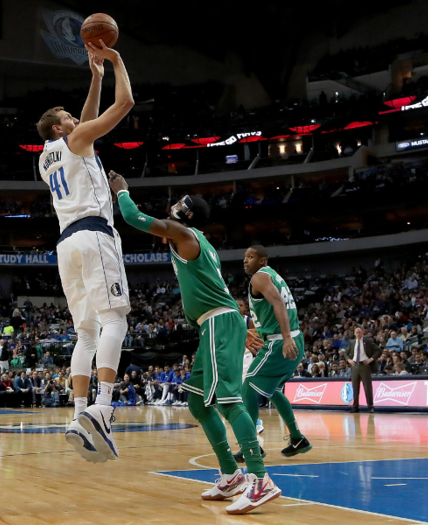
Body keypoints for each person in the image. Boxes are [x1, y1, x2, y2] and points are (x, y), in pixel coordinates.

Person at [109, 173, 279, 515]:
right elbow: (213, 286)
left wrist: (122, 191)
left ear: (184, 213)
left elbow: (132, 218)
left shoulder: (184, 233)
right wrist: (236, 325)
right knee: (198, 402)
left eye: (177, 203)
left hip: (219, 322)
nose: (171, 206)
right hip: (216, 322)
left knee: (228, 400)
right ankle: (231, 474)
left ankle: (261, 480)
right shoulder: (195, 238)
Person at [37, 40, 134, 464]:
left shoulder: (46, 158)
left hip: (65, 244)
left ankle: (78, 415)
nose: (76, 120)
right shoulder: (76, 139)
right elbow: (125, 103)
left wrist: (94, 78)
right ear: (60, 128)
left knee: (86, 333)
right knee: (115, 319)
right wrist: (115, 62)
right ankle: (105, 408)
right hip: (95, 235)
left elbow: (86, 122)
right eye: (68, 119)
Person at [240, 245, 311, 461]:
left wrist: (286, 337)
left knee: (248, 387)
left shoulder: (259, 278)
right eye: (244, 257)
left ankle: (251, 446)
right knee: (275, 391)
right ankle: (297, 438)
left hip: (281, 341)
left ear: (262, 261)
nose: (245, 260)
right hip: (292, 338)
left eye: (250, 257)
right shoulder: (273, 276)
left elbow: (278, 302)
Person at [236, 298, 264, 435]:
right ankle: (247, 420)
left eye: (241, 305)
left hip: (247, 357)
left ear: (245, 308)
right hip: (233, 359)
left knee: (245, 392)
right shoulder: (229, 320)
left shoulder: (249, 321)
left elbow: (260, 335)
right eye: (236, 305)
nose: (238, 307)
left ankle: (256, 422)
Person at [345, 327, 382, 413]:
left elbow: (378, 350)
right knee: (355, 387)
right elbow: (346, 353)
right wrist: (349, 360)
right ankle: (355, 406)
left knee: (367, 387)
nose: (358, 334)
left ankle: (370, 406)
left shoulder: (367, 341)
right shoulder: (352, 342)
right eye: (356, 332)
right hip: (354, 366)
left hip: (365, 365)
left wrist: (371, 359)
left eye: (359, 332)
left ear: (362, 333)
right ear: (354, 333)